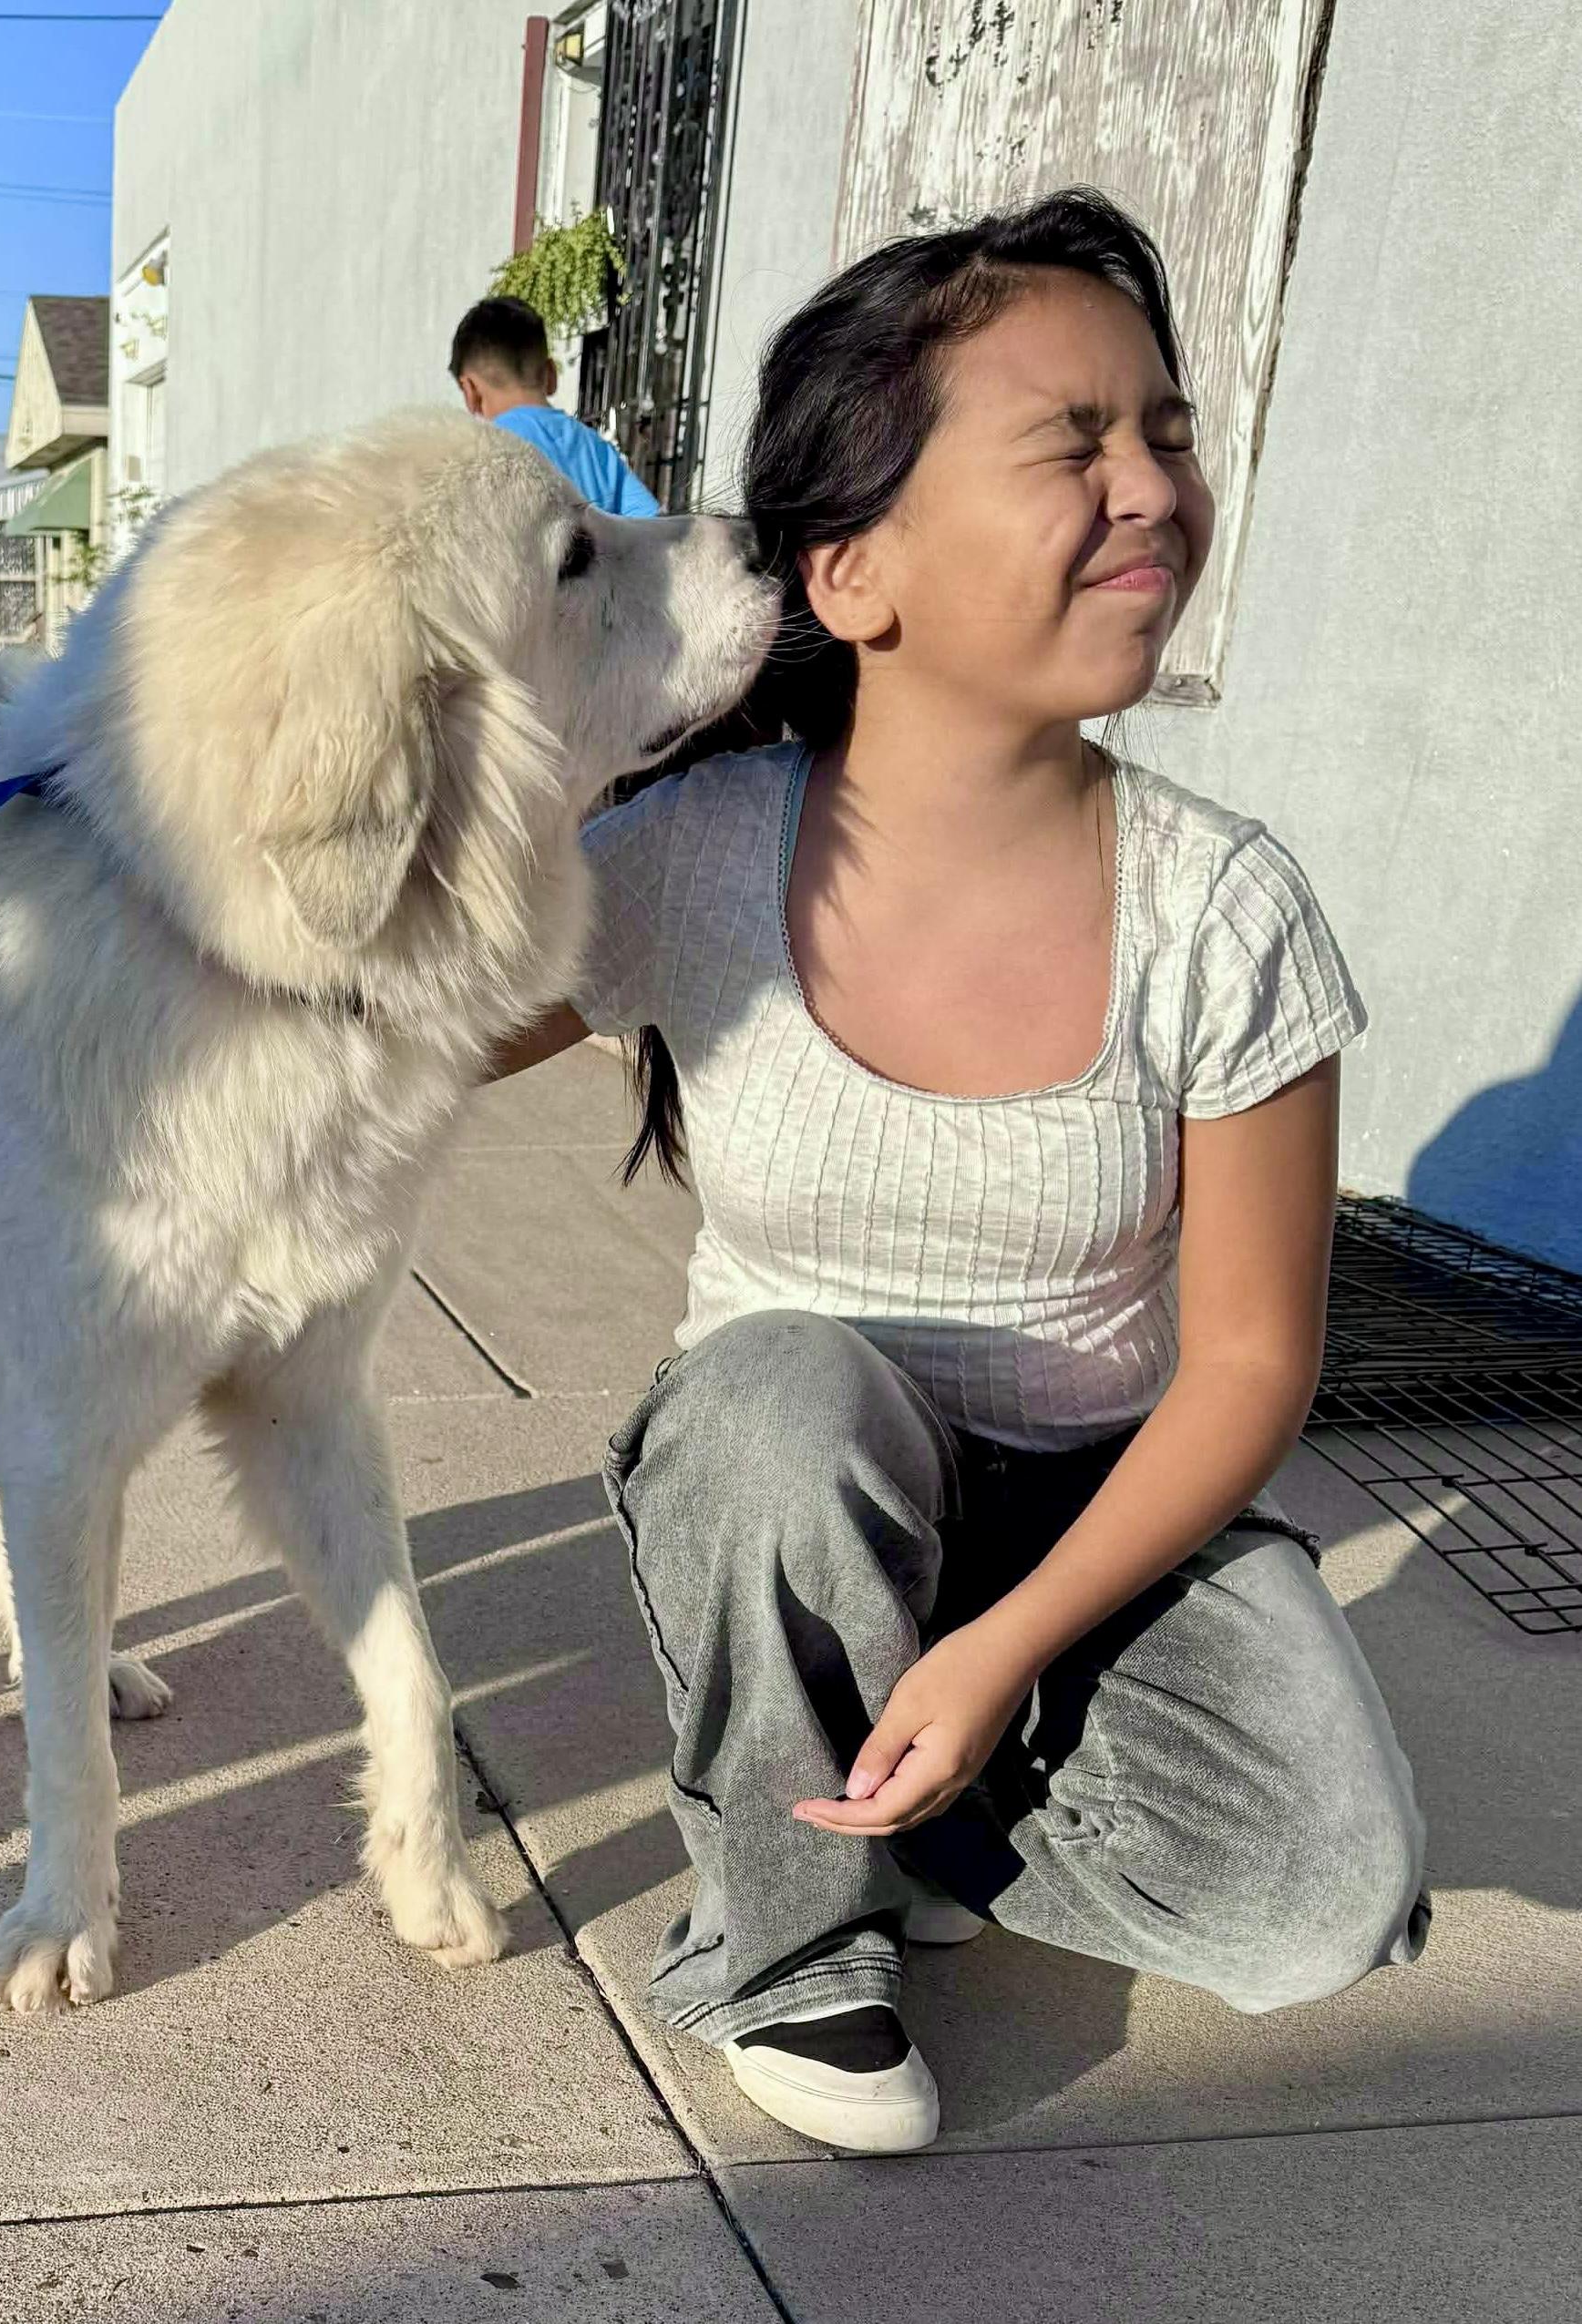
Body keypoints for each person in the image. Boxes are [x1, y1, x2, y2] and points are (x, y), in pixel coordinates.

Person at [489, 189, 1430, 2155]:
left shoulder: (1224, 909)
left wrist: (1009, 1646)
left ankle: (858, 1790)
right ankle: (789, 1939)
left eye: (1163, 431)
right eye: (1069, 445)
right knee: (778, 1393)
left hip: (1080, 1518)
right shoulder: (691, 852)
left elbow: (1250, 1364)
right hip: (795, 1476)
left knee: (1322, 1899)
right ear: (851, 575)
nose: (1150, 486)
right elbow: (379, 1023)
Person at [449, 294, 661, 517]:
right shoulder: (596, 449)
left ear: (470, 390)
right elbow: (650, 523)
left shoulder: (481, 454)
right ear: (551, 374)